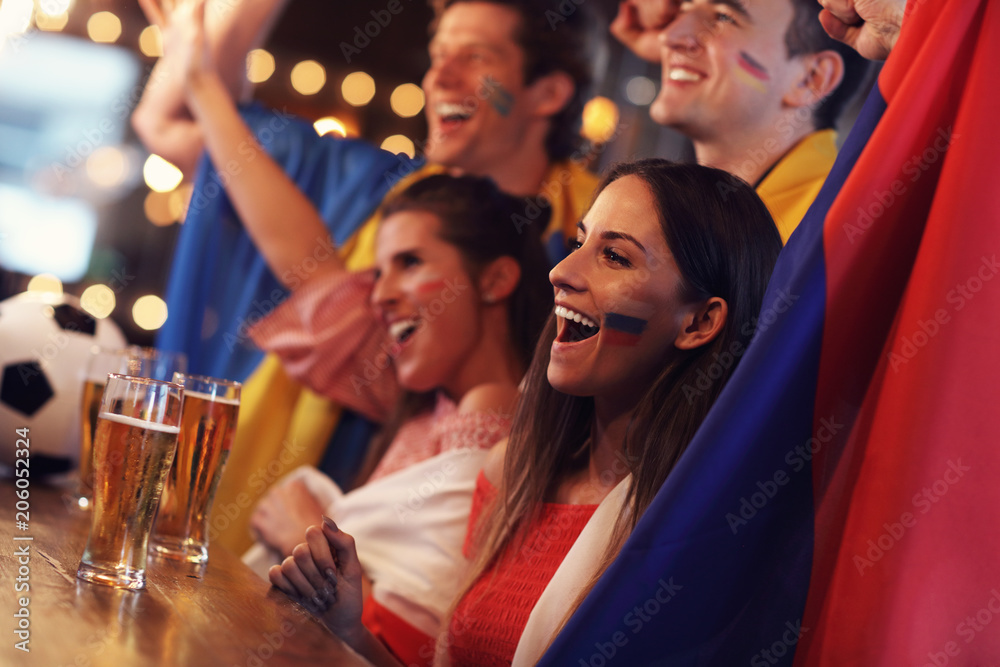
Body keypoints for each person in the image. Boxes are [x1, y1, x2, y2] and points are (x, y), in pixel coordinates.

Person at [268, 158, 783, 665]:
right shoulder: (510, 473)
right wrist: (350, 630)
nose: (562, 271)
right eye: (579, 242)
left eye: (616, 258)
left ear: (699, 323)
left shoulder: (697, 529)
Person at [132, 0, 601, 554]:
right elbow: (168, 121)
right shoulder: (376, 186)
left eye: (475, 57)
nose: (440, 77)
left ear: (548, 92)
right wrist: (208, 48)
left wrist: (203, 80)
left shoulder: (589, 242)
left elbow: (361, 337)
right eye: (437, 54)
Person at [244, 172, 552, 666]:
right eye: (379, 271)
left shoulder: (491, 410)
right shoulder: (425, 405)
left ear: (496, 279)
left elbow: (411, 644)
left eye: (409, 262)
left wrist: (304, 534)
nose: (379, 295)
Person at [612, 0, 870, 242]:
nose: (668, 37)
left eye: (724, 16)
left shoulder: (839, 229)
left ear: (811, 79)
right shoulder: (687, 216)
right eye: (683, 9)